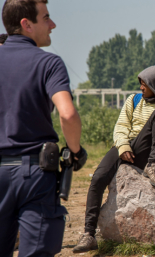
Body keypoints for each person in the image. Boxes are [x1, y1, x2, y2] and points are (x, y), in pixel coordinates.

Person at [0, 1, 87, 257]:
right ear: (26, 25)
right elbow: (68, 114)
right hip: (35, 177)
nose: (53, 25)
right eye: (46, 17)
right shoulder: (49, 64)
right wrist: (75, 151)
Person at [73, 65, 155, 253]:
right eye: (140, 83)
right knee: (98, 178)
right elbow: (121, 126)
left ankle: (152, 165)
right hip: (125, 146)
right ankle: (89, 234)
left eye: (145, 84)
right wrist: (123, 147)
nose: (141, 87)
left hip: (147, 153)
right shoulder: (133, 100)